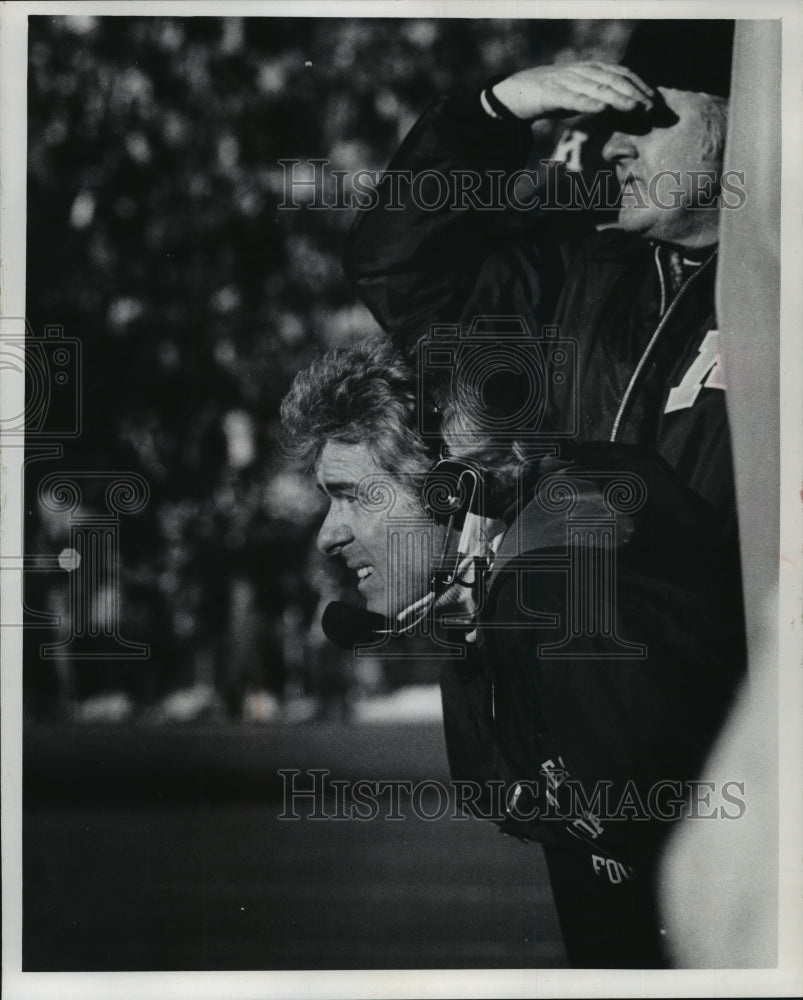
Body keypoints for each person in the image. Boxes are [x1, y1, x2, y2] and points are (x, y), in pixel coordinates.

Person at [282, 20, 747, 967]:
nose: (612, 143)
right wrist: (490, 114)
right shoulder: (578, 278)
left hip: (736, 753)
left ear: (751, 118)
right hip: (594, 761)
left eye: (651, 118)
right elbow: (400, 266)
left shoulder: (770, 287)